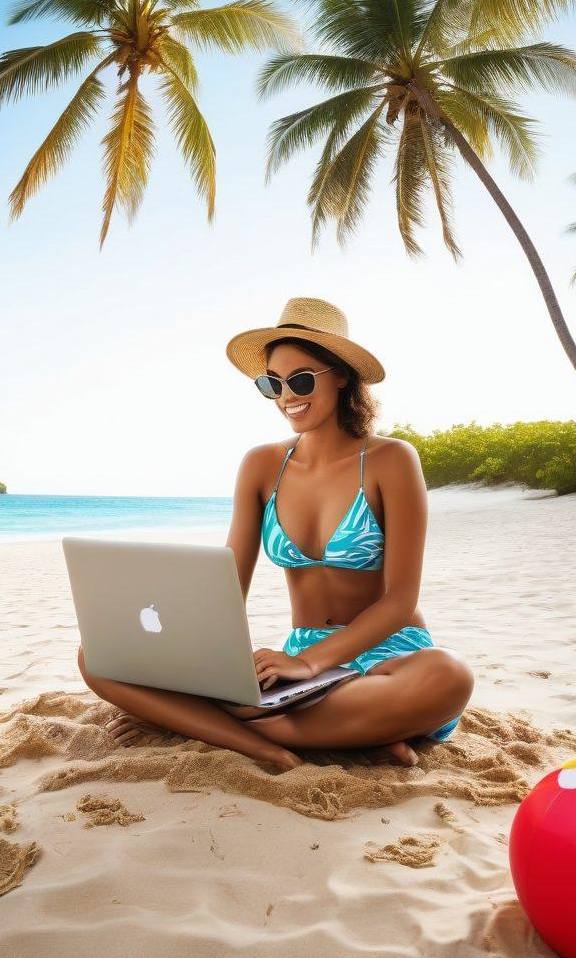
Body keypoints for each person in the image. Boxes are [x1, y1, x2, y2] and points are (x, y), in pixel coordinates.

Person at [78, 297, 474, 769]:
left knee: (450, 675)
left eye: (301, 379)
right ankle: (292, 743)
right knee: (97, 654)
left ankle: (199, 725)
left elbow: (401, 599)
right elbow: (226, 588)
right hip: (299, 662)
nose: (287, 396)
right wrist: (197, 655)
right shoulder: (263, 465)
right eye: (272, 384)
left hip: (390, 654)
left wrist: (311, 665)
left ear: (342, 375)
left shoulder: (391, 460)